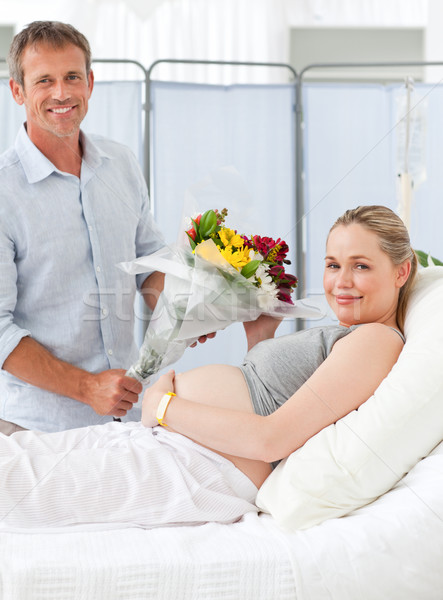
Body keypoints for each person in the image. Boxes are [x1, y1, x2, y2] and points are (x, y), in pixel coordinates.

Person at [0, 205, 417, 529]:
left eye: (360, 266)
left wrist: (162, 407)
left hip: (200, 469)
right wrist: (261, 337)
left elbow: (271, 440)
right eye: (333, 265)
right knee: (23, 460)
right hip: (181, 452)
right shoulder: (354, 334)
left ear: (402, 271)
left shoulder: (376, 340)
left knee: (22, 479)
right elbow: (270, 400)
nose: (341, 281)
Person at [0, 21, 164, 435]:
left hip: (123, 419)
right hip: (32, 429)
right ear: (17, 91)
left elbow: (150, 263)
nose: (62, 93)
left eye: (72, 76)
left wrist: (182, 312)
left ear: (90, 82)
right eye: (44, 81)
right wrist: (86, 387)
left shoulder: (120, 162)